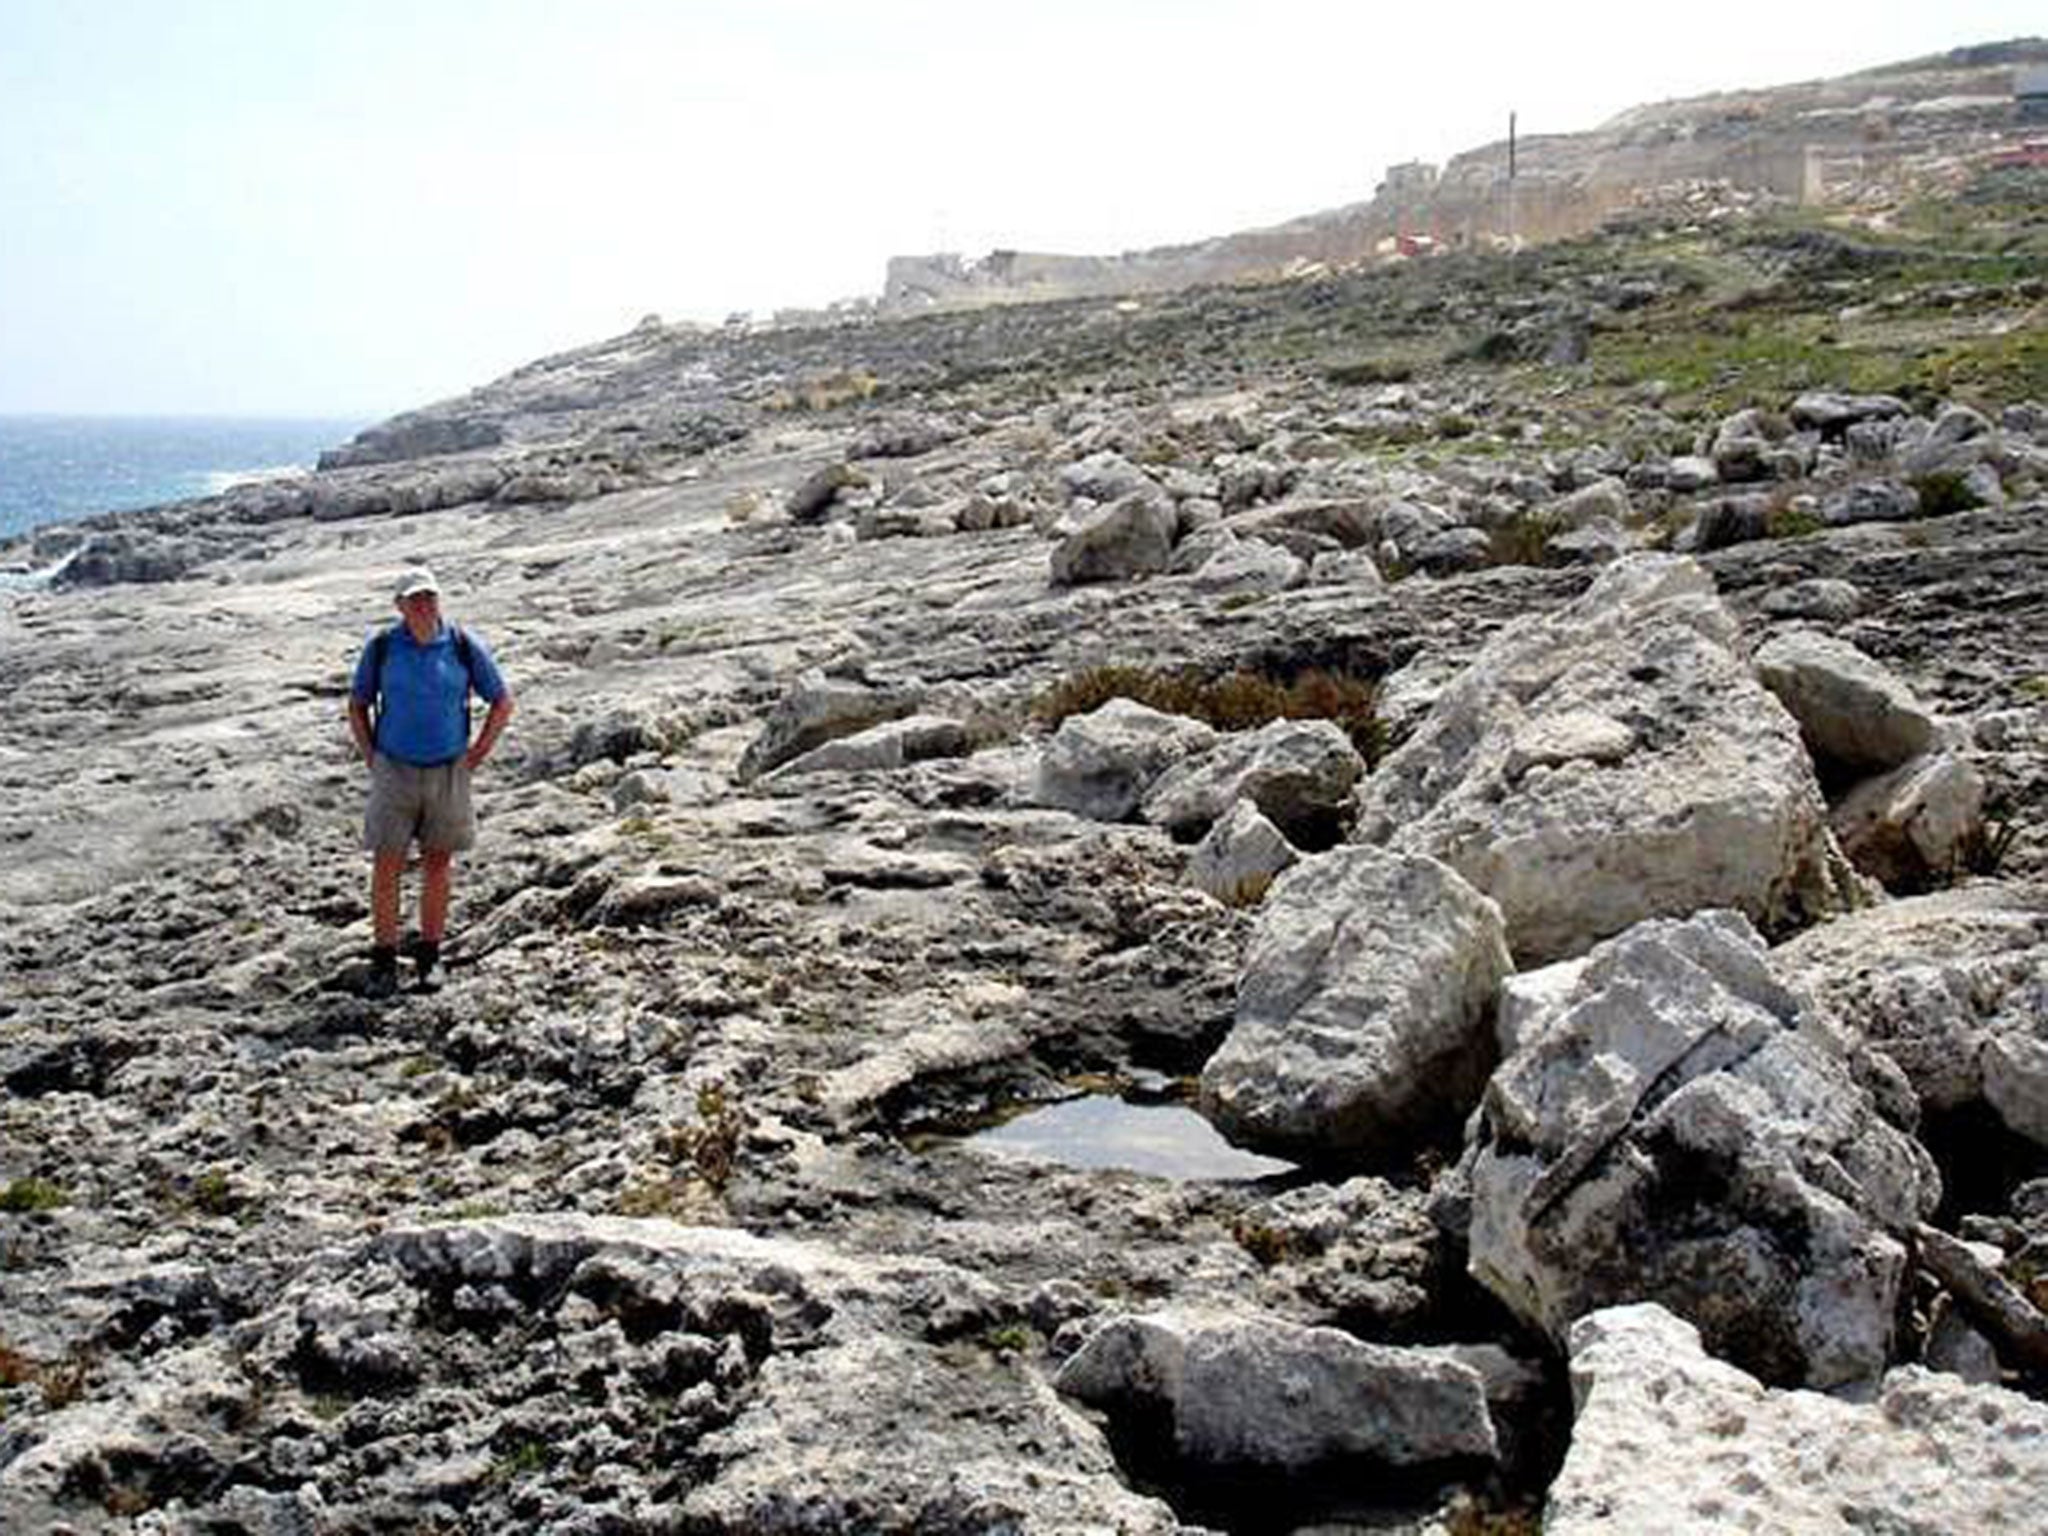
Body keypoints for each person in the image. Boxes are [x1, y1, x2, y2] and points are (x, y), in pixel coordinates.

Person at [347, 567, 513, 997]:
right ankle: (383, 960)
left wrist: (476, 754)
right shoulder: (383, 647)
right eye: (413, 599)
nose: (423, 605)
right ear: (399, 606)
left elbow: (501, 699)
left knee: (438, 864)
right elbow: (358, 705)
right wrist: (373, 757)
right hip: (395, 769)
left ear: (438, 600)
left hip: (448, 770)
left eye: (429, 597)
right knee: (388, 863)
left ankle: (430, 957)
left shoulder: (460, 644)